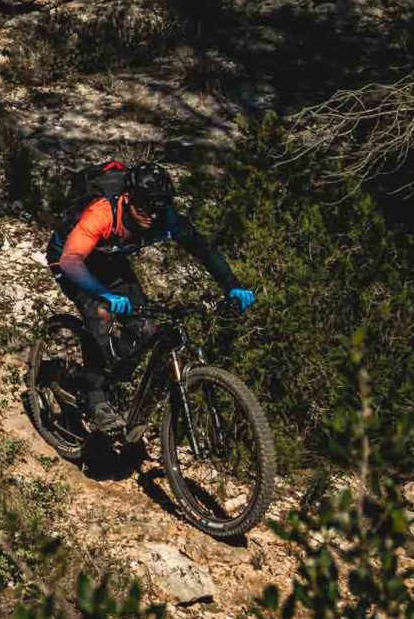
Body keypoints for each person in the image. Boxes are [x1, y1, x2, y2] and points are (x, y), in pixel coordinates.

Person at [44, 161, 256, 434]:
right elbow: (71, 261)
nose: (151, 215)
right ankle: (96, 398)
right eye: (144, 206)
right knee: (100, 314)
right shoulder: (103, 214)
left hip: (110, 258)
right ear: (128, 198)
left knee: (147, 326)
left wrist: (232, 286)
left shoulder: (165, 217)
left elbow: (203, 248)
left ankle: (112, 376)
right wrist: (103, 294)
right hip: (69, 258)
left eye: (158, 207)